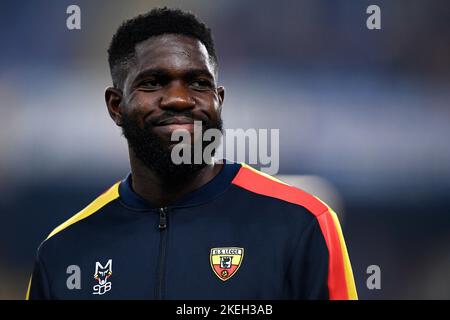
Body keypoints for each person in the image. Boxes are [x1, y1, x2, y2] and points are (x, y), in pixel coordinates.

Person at [26, 7, 357, 300]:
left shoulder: (302, 224)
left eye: (198, 83)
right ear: (116, 105)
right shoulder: (64, 252)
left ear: (219, 100)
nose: (180, 99)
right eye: (153, 83)